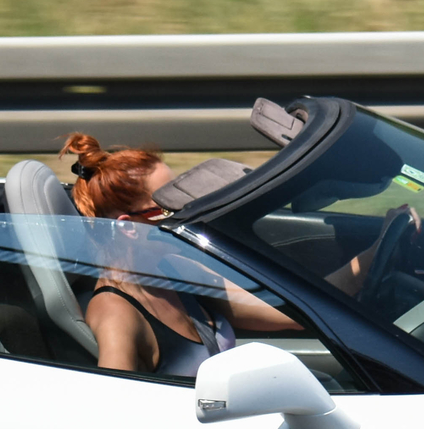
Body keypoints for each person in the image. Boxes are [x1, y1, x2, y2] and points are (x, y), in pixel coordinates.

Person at [60, 133, 301, 375]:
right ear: (129, 228)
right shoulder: (117, 315)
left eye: (182, 198)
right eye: (169, 207)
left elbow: (289, 313)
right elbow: (113, 404)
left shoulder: (175, 269)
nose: (187, 212)